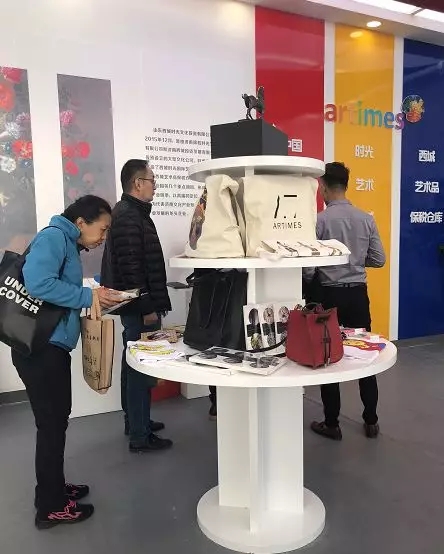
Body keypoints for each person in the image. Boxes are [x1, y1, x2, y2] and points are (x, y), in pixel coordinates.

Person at [11, 195, 120, 529]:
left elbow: (55, 286)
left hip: (47, 348)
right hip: (41, 350)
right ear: (81, 222)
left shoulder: (66, 241)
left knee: (55, 422)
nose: (103, 237)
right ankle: (51, 507)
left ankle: (53, 489)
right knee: (52, 425)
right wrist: (88, 296)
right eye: (102, 229)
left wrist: (94, 296)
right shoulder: (55, 237)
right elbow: (38, 282)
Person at [304, 162, 386, 441]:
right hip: (358, 296)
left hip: (329, 297)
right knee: (366, 357)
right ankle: (371, 421)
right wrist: (355, 262)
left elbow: (309, 268)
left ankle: (332, 423)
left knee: (329, 358)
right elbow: (379, 259)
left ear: (324, 187)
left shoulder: (320, 221)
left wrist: (311, 279)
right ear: (346, 185)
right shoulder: (366, 218)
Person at [101, 159, 173, 453]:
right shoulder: (129, 217)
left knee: (133, 363)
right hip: (139, 307)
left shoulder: (131, 213)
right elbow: (132, 269)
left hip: (136, 305)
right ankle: (140, 436)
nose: (155, 186)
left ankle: (136, 422)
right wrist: (146, 307)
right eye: (152, 180)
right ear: (138, 183)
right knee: (140, 367)